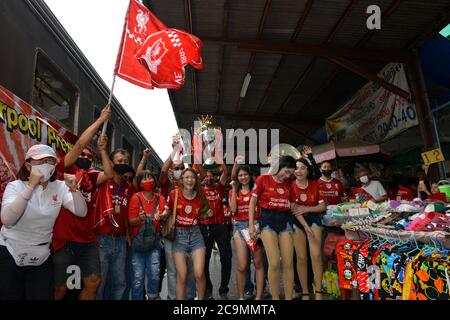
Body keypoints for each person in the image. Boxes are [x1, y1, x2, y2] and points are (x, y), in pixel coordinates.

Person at [0, 144, 87, 299]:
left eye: (50, 161)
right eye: (40, 161)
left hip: (41, 256)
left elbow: (81, 212)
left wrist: (74, 189)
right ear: (28, 165)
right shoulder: (15, 186)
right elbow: (7, 219)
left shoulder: (59, 187)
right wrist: (31, 186)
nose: (46, 165)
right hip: (11, 251)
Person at [52, 105, 112, 300]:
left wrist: (102, 151)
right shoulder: (63, 170)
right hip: (65, 240)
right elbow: (78, 146)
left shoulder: (91, 177)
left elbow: (109, 174)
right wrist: (100, 121)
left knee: (93, 281)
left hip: (87, 240)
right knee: (61, 289)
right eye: (83, 155)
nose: (86, 157)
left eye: (90, 156)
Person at [248, 156, 311, 300]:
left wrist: (305, 226)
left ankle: (288, 297)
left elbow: (294, 206)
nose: (287, 175)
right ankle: (275, 298)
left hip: (285, 223)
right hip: (267, 223)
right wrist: (251, 225)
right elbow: (253, 202)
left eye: (290, 173)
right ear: (280, 166)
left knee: (289, 263)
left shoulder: (289, 184)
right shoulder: (263, 179)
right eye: (286, 171)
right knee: (275, 262)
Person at [157, 168, 207, 300]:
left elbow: (205, 211)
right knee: (182, 275)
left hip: (196, 236)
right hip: (179, 237)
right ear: (182, 180)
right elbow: (167, 210)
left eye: (192, 177)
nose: (190, 180)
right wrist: (161, 215)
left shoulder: (200, 195)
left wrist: (208, 214)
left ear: (195, 181)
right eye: (186, 177)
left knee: (199, 273)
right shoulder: (174, 194)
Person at [158, 142, 196, 300]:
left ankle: (189, 296)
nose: (180, 170)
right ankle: (174, 297)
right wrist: (174, 150)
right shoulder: (167, 185)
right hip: (171, 233)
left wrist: (186, 152)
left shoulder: (190, 183)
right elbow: (163, 170)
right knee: (173, 269)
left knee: (191, 268)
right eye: (177, 168)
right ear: (172, 172)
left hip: (190, 233)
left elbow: (192, 172)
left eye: (182, 167)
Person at [94, 148, 133, 300]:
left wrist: (128, 234)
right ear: (111, 163)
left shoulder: (128, 187)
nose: (123, 164)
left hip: (120, 240)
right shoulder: (103, 180)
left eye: (126, 162)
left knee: (119, 281)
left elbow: (126, 214)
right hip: (102, 239)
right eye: (119, 161)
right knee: (100, 282)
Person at [291, 158, 327, 300]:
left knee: (316, 255)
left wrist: (307, 208)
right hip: (296, 222)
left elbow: (323, 206)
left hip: (313, 220)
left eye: (302, 168)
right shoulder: (290, 185)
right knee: (301, 258)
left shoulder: (315, 184)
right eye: (296, 168)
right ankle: (305, 291)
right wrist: (304, 224)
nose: (299, 171)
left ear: (307, 170)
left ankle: (318, 291)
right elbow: (293, 209)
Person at [229, 159, 265, 300]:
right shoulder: (235, 191)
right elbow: (233, 210)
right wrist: (232, 189)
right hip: (239, 228)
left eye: (245, 174)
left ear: (249, 175)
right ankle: (241, 296)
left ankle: (259, 295)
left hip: (254, 227)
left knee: (257, 263)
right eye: (240, 175)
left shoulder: (256, 190)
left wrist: (258, 228)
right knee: (242, 265)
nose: (243, 177)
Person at [128, 170, 166, 300]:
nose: (148, 181)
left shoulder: (160, 198)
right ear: (139, 183)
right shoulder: (135, 198)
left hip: (154, 243)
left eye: (150, 178)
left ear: (155, 181)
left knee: (154, 273)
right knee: (138, 276)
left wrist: (162, 215)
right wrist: (139, 219)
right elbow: (131, 221)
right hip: (137, 244)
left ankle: (153, 296)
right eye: (144, 179)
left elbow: (166, 213)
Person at [199, 163, 232, 300]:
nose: (209, 178)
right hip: (205, 227)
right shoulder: (199, 190)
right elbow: (198, 171)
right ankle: (208, 289)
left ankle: (223, 289)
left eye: (211, 176)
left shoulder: (218, 188)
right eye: (206, 177)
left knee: (226, 258)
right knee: (204, 260)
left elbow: (225, 172)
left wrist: (219, 160)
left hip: (221, 226)